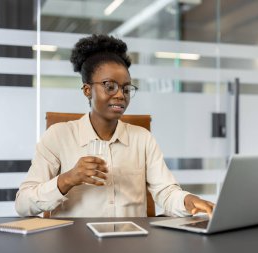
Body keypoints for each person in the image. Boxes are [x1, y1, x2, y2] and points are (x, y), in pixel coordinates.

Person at [15, 34, 214, 218]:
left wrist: (189, 201)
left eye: (126, 88)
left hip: (133, 241)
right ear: (87, 90)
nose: (120, 95)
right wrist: (67, 179)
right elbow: (23, 205)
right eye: (109, 86)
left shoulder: (142, 138)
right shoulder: (58, 136)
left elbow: (166, 192)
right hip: (75, 242)